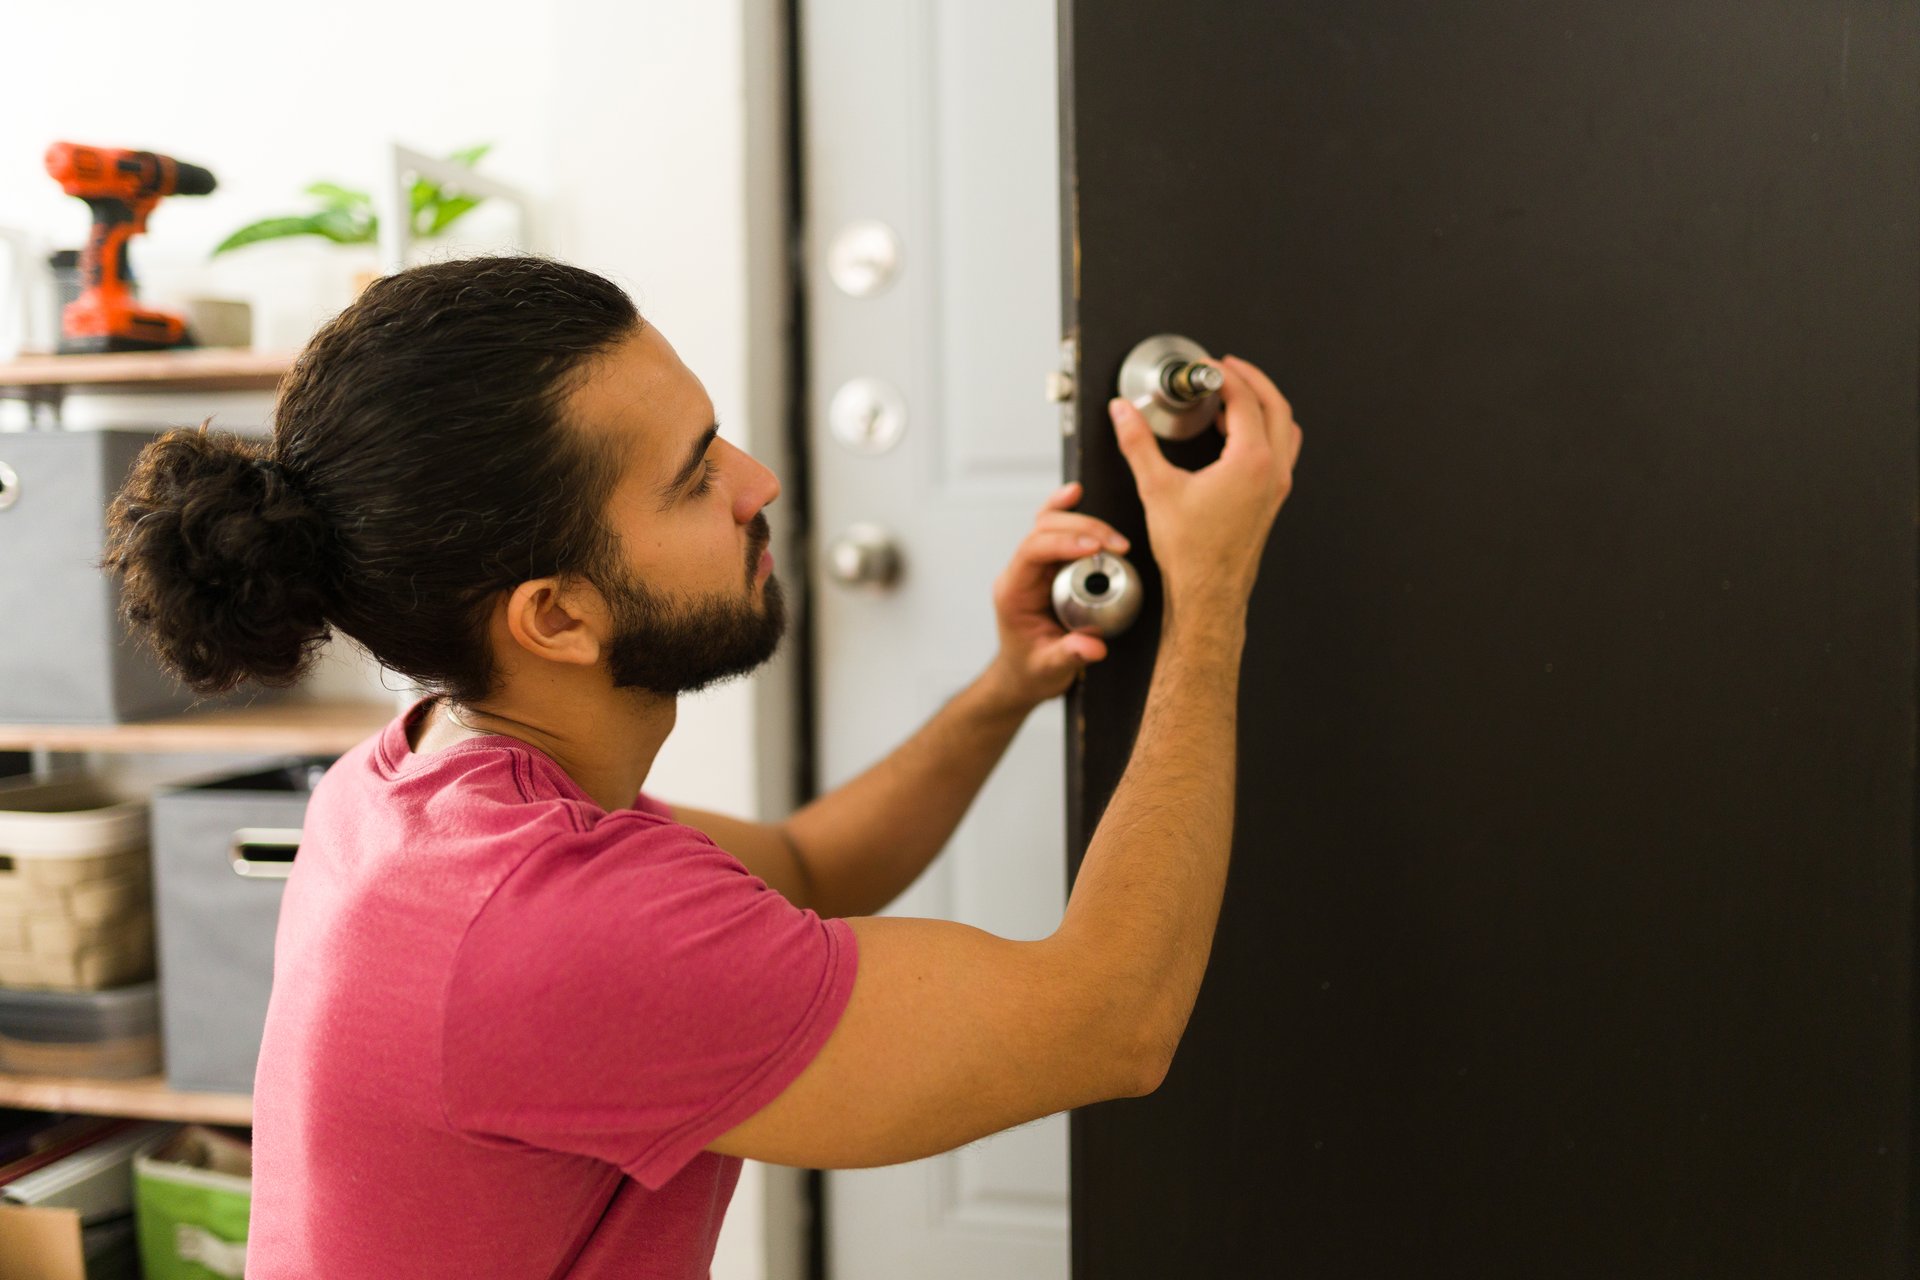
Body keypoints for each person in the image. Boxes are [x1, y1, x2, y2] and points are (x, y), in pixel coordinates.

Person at [101, 255, 1301, 1279]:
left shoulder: (417, 780)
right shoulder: (543, 923)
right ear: (556, 616)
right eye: (693, 476)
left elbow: (806, 865)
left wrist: (1003, 688)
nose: (755, 482)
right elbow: (1113, 1021)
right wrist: (1214, 597)